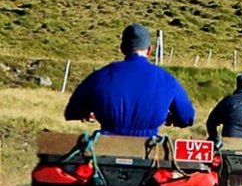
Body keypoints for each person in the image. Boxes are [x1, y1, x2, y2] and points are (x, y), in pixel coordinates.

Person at [64, 23, 195, 137]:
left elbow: (71, 111)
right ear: (150, 50)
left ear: (122, 49)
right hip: (148, 150)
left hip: (106, 148)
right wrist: (171, 119)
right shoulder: (166, 79)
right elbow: (186, 117)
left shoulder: (100, 75)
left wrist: (88, 112)